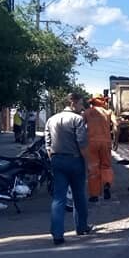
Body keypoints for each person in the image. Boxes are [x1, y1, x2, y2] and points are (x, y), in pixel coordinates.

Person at [45, 93, 92, 245]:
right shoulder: (78, 119)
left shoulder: (51, 119)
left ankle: (57, 235)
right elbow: (82, 143)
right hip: (75, 160)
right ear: (74, 103)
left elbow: (48, 143)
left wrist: (53, 158)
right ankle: (82, 227)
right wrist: (88, 162)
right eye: (81, 104)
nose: (82, 107)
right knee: (78, 195)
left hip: (57, 160)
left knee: (59, 198)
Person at [84, 96, 115, 202]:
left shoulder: (87, 112)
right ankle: (106, 184)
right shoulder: (108, 112)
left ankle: (94, 195)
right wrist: (115, 139)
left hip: (91, 142)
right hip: (106, 142)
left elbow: (80, 126)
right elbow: (117, 124)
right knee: (106, 166)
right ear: (103, 101)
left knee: (93, 168)